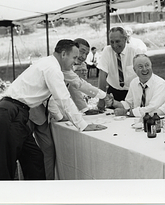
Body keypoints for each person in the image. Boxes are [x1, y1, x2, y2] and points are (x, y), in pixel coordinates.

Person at [0, 39, 88, 180]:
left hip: (18, 112)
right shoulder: (52, 68)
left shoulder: (48, 63)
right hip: (11, 112)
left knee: (35, 158)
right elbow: (63, 99)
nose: (75, 62)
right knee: (6, 165)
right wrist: (83, 125)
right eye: (74, 57)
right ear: (64, 54)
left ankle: (35, 195)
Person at [27, 38, 109, 179]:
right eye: (78, 54)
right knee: (35, 151)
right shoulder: (54, 68)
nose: (82, 58)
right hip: (31, 111)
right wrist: (62, 117)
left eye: (85, 54)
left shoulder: (63, 68)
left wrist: (103, 96)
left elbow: (80, 84)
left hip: (41, 111)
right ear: (69, 52)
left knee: (43, 150)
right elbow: (58, 96)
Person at [97, 26, 140, 109]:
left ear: (125, 39)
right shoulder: (107, 51)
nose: (114, 45)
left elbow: (143, 75)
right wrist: (101, 99)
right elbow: (102, 76)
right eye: (111, 42)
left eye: (117, 41)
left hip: (132, 92)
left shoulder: (135, 51)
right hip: (113, 92)